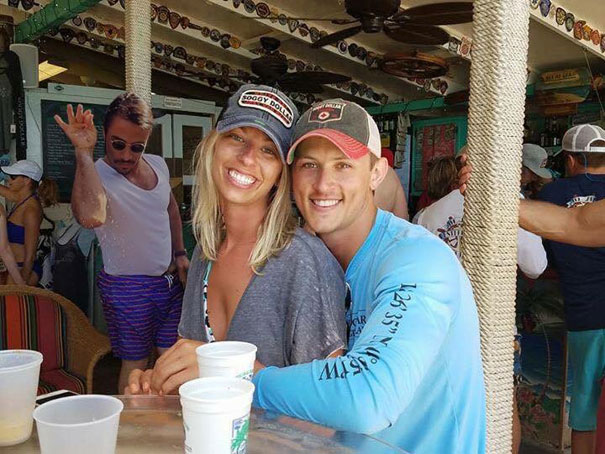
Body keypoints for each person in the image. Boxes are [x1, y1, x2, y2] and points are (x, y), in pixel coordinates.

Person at [252, 99, 485, 453]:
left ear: (377, 173)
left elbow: (369, 398)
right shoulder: (304, 260)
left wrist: (244, 379)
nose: (323, 184)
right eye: (309, 165)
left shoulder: (417, 259)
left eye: (343, 165)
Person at [126, 85, 347, 395]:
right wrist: (156, 385)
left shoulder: (304, 262)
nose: (247, 158)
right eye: (237, 138)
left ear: (281, 173)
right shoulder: (206, 252)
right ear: (213, 144)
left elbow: (328, 398)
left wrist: (222, 366)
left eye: (268, 150)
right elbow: (192, 374)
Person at [414, 147, 548, 454]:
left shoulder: (429, 214)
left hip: (442, 326)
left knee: (446, 407)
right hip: (494, 327)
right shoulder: (513, 207)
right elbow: (537, 265)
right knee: (501, 407)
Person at [54, 93, 189, 392]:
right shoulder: (97, 173)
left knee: (171, 360)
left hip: (169, 283)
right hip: (127, 287)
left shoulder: (158, 165)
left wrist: (180, 253)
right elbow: (90, 217)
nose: (127, 155)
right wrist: (83, 153)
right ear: (104, 134)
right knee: (135, 365)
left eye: (136, 147)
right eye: (118, 144)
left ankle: (167, 419)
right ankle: (131, 421)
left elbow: (170, 208)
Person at [535, 124, 605, 454]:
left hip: (584, 316)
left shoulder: (551, 195)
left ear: (571, 160)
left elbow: (539, 256)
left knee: (585, 412)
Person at [0, 159, 44, 285]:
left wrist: (23, 282)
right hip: (11, 265)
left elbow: (30, 254)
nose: (9, 180)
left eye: (13, 177)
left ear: (27, 180)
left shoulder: (31, 211)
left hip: (23, 268)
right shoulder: (21, 198)